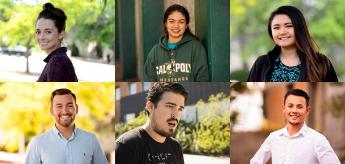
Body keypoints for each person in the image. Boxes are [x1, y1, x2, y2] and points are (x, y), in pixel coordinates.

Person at [247, 6, 338, 82]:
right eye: (276, 27)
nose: (282, 32)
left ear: (300, 28)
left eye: (289, 26)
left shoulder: (321, 62)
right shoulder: (262, 63)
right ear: (271, 32)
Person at [250, 89, 340, 164]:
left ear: (307, 110)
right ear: (283, 108)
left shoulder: (318, 139)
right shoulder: (274, 137)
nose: (294, 110)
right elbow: (256, 162)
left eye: (299, 107)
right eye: (290, 106)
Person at [25, 88, 107, 164]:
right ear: (51, 111)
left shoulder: (91, 140)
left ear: (77, 109)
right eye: (59, 106)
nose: (65, 111)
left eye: (70, 106)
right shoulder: (37, 143)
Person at [115, 82, 188, 164]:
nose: (176, 115)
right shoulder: (127, 146)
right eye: (170, 106)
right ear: (150, 107)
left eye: (180, 109)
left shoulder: (175, 146)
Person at [143, 4, 209, 82]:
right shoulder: (154, 52)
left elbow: (202, 79)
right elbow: (149, 81)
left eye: (181, 22)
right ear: (166, 24)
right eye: (171, 21)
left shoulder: (196, 47)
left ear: (186, 25)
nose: (176, 26)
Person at [36, 3, 78, 82]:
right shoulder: (58, 58)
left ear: (61, 34)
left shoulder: (56, 61)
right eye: (38, 32)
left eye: (48, 32)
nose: (41, 37)